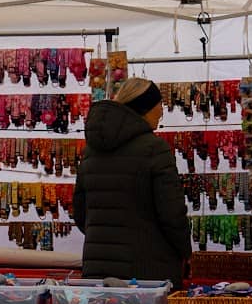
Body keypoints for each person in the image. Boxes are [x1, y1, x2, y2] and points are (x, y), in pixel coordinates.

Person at [73, 77, 191, 286]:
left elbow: (80, 213)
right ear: (146, 108)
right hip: (147, 274)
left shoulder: (91, 151)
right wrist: (185, 251)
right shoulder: (155, 149)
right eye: (159, 105)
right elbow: (172, 215)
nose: (162, 111)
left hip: (98, 272)